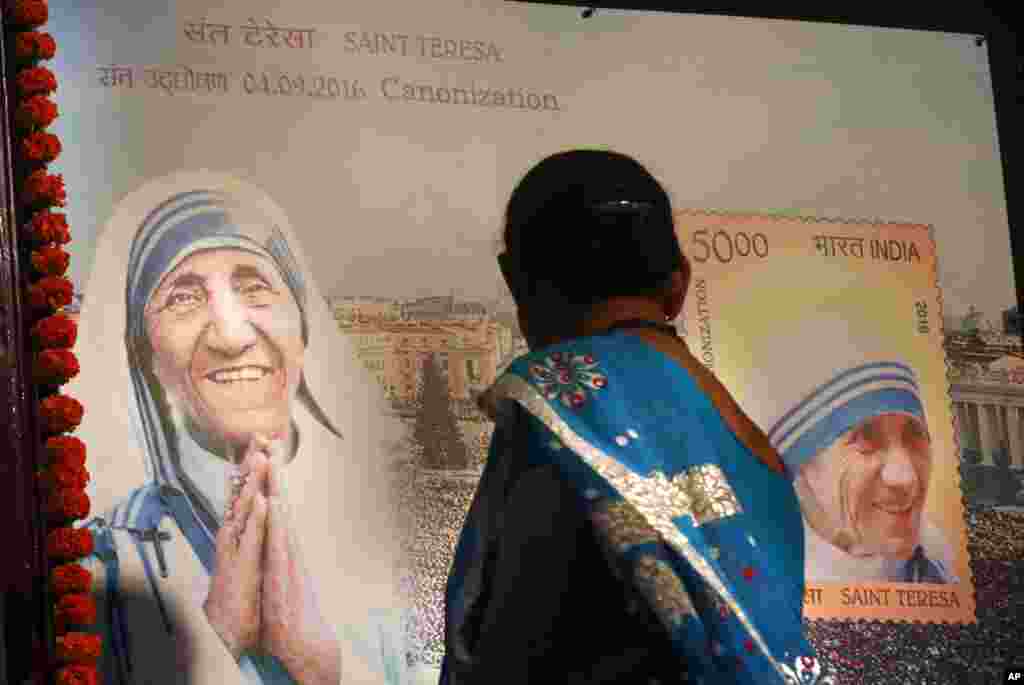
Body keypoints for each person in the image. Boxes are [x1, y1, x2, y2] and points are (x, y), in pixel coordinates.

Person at [440, 150, 824, 684]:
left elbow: (507, 654)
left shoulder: (563, 407)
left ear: (516, 281)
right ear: (679, 281)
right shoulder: (746, 439)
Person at [72, 173, 422, 685]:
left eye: (255, 287)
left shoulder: (380, 530)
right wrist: (219, 639)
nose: (232, 335)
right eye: (183, 298)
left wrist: (320, 663)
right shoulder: (105, 561)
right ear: (142, 354)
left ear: (303, 324)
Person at [750, 320, 957, 584]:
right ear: (799, 469)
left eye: (914, 434)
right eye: (865, 440)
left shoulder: (940, 561)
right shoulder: (767, 582)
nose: (905, 477)